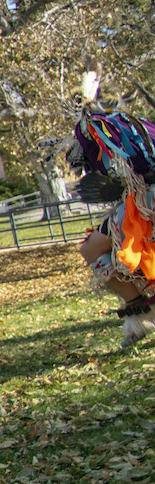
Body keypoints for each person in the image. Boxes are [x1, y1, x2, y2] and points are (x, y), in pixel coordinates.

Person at [66, 102, 155, 347]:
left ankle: (141, 314)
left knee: (91, 250)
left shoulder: (103, 131)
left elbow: (129, 170)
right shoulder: (137, 128)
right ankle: (140, 315)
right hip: (140, 201)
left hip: (144, 202)